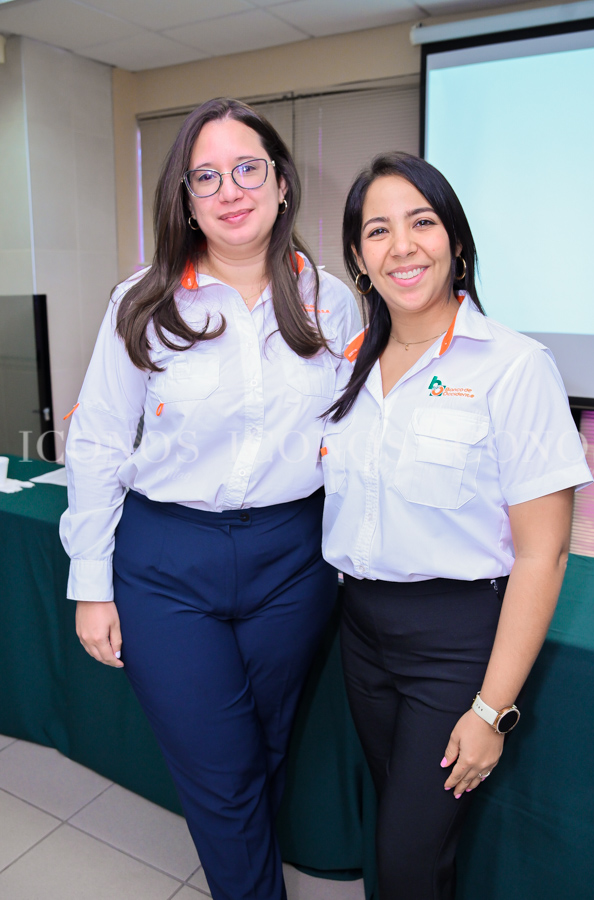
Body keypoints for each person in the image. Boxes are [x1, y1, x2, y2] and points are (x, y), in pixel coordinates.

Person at [60, 98, 360, 900]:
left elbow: (358, 440)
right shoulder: (144, 302)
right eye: (205, 176)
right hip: (167, 563)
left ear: (282, 183)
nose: (229, 189)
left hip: (292, 562)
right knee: (220, 771)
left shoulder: (332, 302)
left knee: (264, 750)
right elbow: (95, 442)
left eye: (247, 168)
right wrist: (91, 581)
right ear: (184, 200)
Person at [320, 152, 592, 900]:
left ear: (456, 242)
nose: (401, 245)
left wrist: (490, 710)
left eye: (422, 222)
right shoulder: (346, 367)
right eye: (377, 230)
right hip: (360, 629)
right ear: (358, 258)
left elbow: (543, 555)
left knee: (403, 862)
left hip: (456, 641)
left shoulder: (514, 366)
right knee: (410, 840)